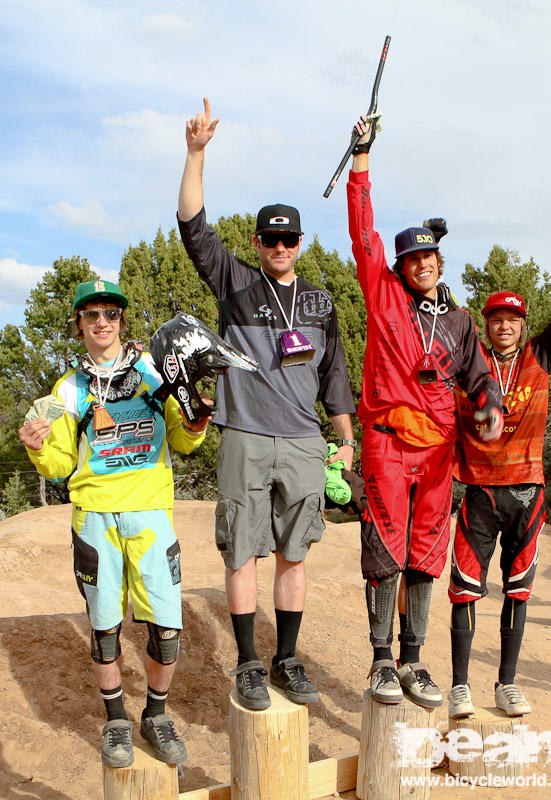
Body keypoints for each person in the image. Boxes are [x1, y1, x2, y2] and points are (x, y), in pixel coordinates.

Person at [177, 98, 356, 710]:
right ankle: (249, 663)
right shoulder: (234, 283)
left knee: (294, 552)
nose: (279, 246)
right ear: (257, 241)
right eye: (270, 237)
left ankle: (287, 658)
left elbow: (334, 375)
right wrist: (196, 155)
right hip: (247, 436)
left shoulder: (322, 303)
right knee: (242, 551)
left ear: (301, 243)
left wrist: (345, 436)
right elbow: (193, 229)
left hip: (306, 443)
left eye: (289, 238)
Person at [19, 280, 210, 768]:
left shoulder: (152, 369)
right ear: (79, 325)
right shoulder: (67, 390)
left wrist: (196, 419)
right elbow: (61, 464)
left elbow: (185, 441)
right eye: (91, 314)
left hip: (150, 514)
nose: (101, 321)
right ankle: (116, 722)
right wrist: (37, 447)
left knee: (167, 630)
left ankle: (156, 715)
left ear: (122, 320)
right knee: (105, 630)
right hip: (95, 518)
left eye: (110, 313)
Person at [346, 115, 503, 706]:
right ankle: (381, 661)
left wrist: (487, 403)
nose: (422, 264)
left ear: (440, 262)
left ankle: (414, 662)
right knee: (385, 549)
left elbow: (478, 376)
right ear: (401, 268)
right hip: (387, 439)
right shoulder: (383, 293)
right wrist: (362, 160)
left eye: (430, 257)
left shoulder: (461, 322)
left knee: (425, 554)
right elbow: (365, 234)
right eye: (412, 259)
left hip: (439, 451)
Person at [448, 219, 551, 718]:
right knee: (464, 585)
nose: (504, 325)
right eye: (496, 318)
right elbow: (440, 316)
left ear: (523, 324)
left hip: (527, 492)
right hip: (479, 491)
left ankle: (506, 684)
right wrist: (437, 250)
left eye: (512, 318)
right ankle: (460, 686)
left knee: (518, 587)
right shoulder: (471, 360)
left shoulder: (541, 355)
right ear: (486, 324)